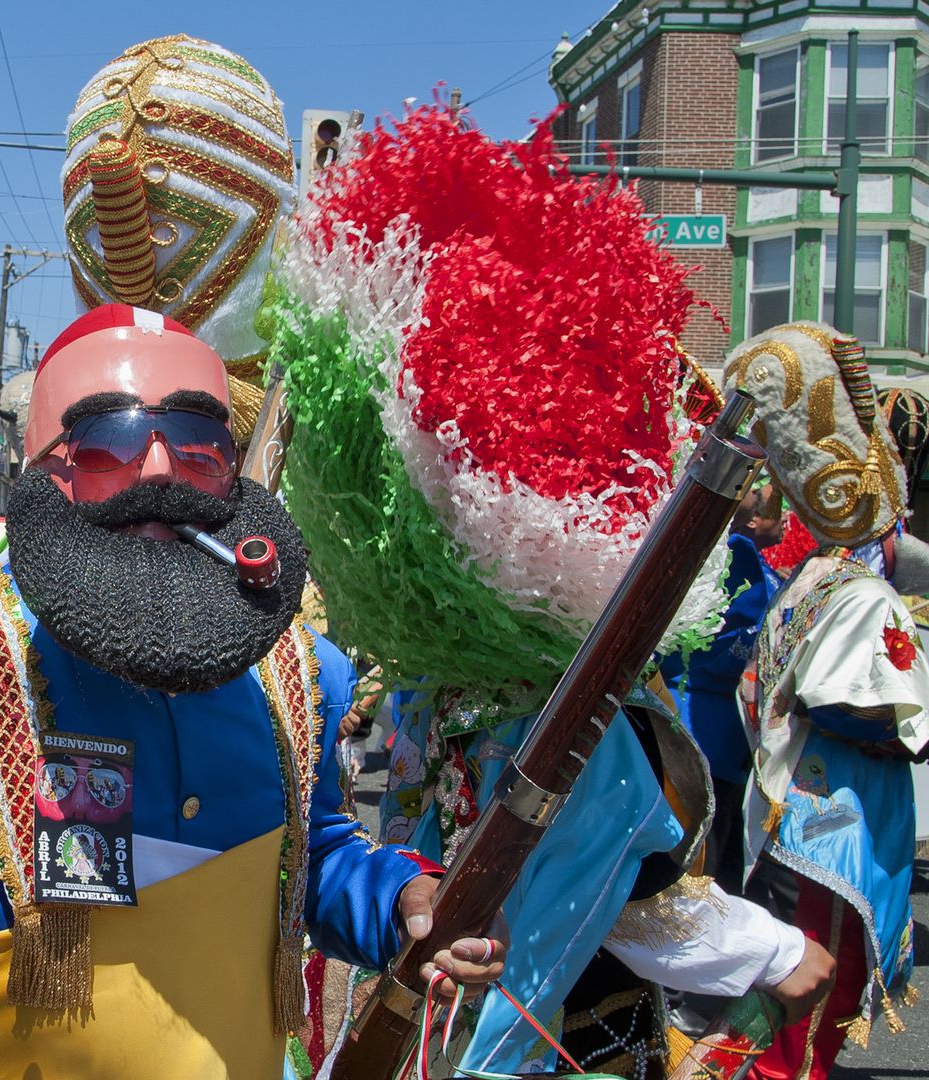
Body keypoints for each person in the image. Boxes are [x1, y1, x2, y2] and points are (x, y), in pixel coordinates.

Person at [0, 302, 504, 1076]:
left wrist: (406, 903)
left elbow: (313, 857)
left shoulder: (303, 674)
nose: (157, 471)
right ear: (41, 474)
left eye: (197, 443)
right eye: (109, 444)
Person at [264, 104, 833, 1076]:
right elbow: (619, 901)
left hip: (428, 1025)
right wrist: (781, 953)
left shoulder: (433, 685)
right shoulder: (560, 712)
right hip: (528, 1036)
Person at [729, 322, 929, 1080]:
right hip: (833, 830)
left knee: (790, 992)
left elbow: (764, 690)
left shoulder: (812, 577)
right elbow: (836, 701)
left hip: (788, 817)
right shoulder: (865, 593)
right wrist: (912, 732)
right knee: (819, 997)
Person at [676, 479, 787, 892]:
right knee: (703, 868)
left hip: (723, 734)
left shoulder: (758, 567)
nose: (782, 514)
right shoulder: (734, 560)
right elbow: (723, 653)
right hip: (708, 729)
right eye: (760, 491)